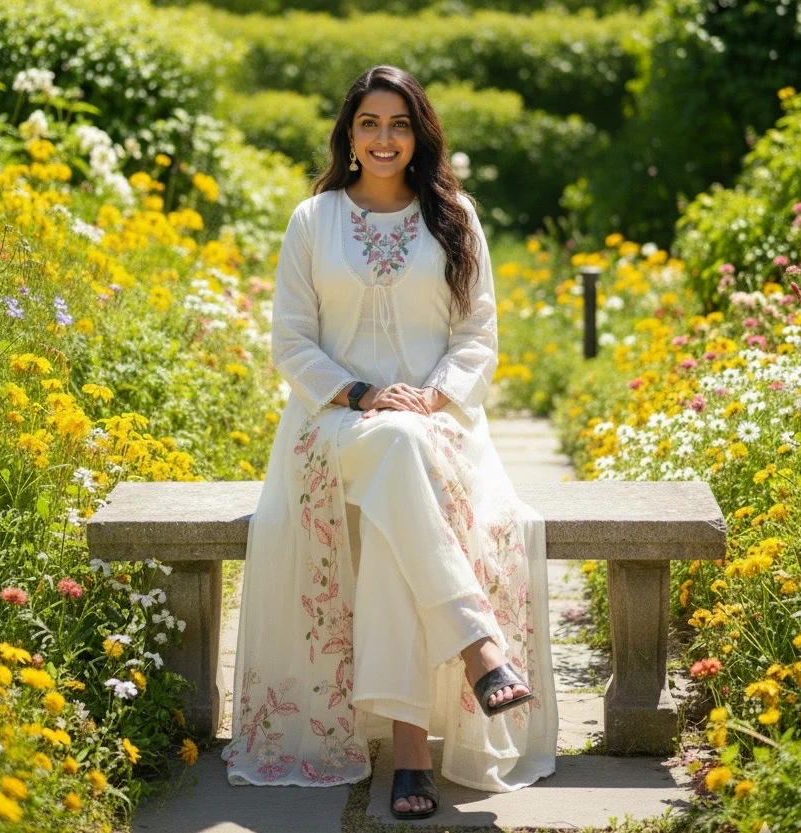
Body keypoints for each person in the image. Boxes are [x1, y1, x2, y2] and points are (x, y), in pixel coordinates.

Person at [222, 64, 559, 820]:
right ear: (349, 135)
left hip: (436, 426)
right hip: (329, 425)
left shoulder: (455, 217)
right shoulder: (314, 221)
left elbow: (477, 337)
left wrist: (429, 397)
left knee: (396, 491)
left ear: (419, 135)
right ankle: (479, 648)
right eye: (369, 124)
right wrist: (368, 394)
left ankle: (414, 754)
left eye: (399, 124)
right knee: (394, 450)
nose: (383, 138)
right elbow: (292, 341)